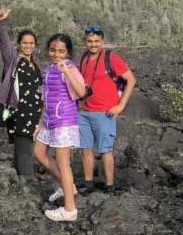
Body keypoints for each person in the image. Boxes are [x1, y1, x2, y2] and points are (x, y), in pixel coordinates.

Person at [71, 25, 136, 197]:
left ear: (102, 42)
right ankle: (89, 183)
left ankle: (109, 186)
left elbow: (131, 79)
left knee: (105, 150)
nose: (93, 44)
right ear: (85, 42)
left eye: (97, 41)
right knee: (85, 149)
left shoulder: (111, 58)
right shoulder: (84, 57)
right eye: (90, 41)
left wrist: (121, 105)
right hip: (85, 111)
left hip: (105, 112)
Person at [34, 34, 87, 222]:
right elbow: (46, 98)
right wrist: (40, 123)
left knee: (62, 163)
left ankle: (70, 210)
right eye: (52, 50)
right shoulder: (49, 68)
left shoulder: (70, 68)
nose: (56, 54)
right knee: (39, 153)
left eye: (61, 51)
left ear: (68, 52)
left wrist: (67, 72)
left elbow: (81, 92)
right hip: (49, 120)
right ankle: (68, 186)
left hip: (64, 121)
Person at [0, 9, 42, 178]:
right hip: (18, 113)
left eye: (31, 43)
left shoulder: (35, 66)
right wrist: (1, 23)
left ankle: (15, 184)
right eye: (24, 43)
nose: (28, 46)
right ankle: (28, 185)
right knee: (25, 152)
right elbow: (4, 43)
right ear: (19, 44)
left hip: (33, 115)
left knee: (20, 151)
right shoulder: (13, 60)